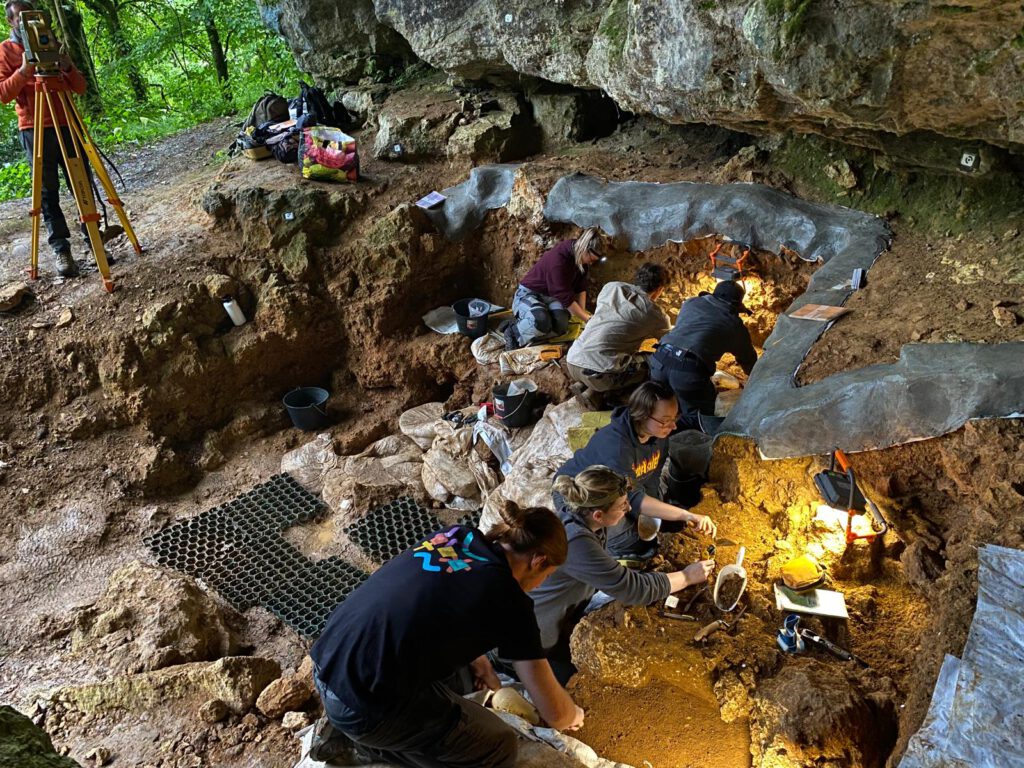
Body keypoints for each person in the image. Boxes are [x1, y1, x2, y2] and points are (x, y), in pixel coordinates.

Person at [308, 501, 584, 768]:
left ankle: (360, 734)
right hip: (362, 707)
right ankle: (365, 747)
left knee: (462, 682)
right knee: (498, 747)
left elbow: (438, 601)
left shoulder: (456, 537)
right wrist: (572, 713)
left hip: (327, 662)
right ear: (538, 561)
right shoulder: (509, 599)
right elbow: (556, 714)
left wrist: (481, 661)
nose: (541, 584)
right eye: (547, 575)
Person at [529, 466, 714, 683]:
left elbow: (634, 502)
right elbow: (634, 590)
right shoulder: (576, 542)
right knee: (570, 677)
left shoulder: (585, 516)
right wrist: (687, 577)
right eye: (622, 505)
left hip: (565, 610)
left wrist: (687, 515)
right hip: (538, 632)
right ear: (599, 515)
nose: (628, 508)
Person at [0, 0, 115, 278]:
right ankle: (61, 249)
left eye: (35, 18)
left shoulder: (52, 43)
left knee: (81, 184)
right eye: (22, 19)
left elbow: (80, 87)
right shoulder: (6, 50)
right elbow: (3, 93)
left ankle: (94, 239)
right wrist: (25, 71)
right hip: (35, 127)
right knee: (47, 191)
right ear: (11, 23)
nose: (31, 24)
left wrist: (66, 65)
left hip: (66, 122)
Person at [554, 380, 717, 560]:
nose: (673, 427)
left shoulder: (658, 435)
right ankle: (614, 550)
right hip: (582, 492)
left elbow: (653, 476)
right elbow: (633, 497)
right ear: (642, 415)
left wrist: (657, 513)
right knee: (631, 541)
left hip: (623, 490)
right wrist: (686, 515)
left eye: (674, 418)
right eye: (665, 421)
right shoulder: (616, 446)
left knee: (655, 522)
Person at [650, 280, 758, 431]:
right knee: (698, 416)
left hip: (658, 360)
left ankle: (653, 436)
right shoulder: (734, 324)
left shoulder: (691, 303)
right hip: (687, 372)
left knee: (661, 406)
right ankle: (683, 443)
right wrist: (757, 381)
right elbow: (749, 360)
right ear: (736, 305)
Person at [566, 262, 671, 410]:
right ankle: (613, 397)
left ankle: (589, 389)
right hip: (601, 373)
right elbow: (671, 343)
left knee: (617, 355)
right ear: (660, 289)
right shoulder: (655, 314)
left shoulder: (611, 287)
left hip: (572, 360)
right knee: (652, 363)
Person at [505, 227, 604, 350]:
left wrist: (583, 315)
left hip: (550, 297)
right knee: (541, 321)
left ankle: (532, 331)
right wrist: (588, 319)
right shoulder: (559, 259)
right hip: (529, 293)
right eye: (591, 259)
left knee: (561, 326)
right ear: (585, 249)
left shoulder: (581, 260)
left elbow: (580, 287)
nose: (591, 263)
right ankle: (513, 331)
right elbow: (564, 297)